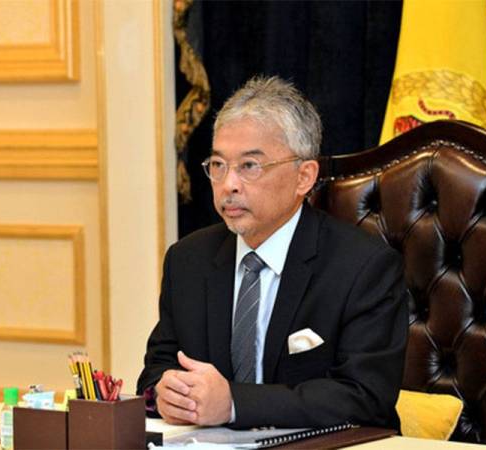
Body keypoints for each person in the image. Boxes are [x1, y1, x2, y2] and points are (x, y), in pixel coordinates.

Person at [136, 76, 408, 430]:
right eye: (218, 165)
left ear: (304, 177)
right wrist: (164, 392)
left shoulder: (364, 267)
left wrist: (234, 404)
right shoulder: (188, 260)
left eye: (249, 166)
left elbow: (365, 397)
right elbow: (157, 368)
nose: (228, 184)